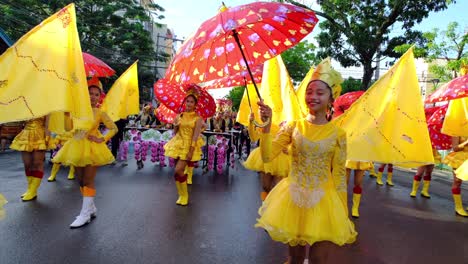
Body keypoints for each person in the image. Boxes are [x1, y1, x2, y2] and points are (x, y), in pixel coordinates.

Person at [256, 59, 357, 264]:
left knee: (319, 260)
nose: (312, 96)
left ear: (331, 98)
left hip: (325, 202)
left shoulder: (339, 134)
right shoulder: (293, 126)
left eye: (320, 92)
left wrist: (342, 212)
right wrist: (266, 127)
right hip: (294, 201)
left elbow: (339, 175)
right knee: (295, 259)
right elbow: (267, 156)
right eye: (309, 92)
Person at [52, 78, 117, 228]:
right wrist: (67, 115)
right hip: (75, 146)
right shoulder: (76, 110)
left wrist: (102, 138)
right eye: (90, 93)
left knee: (88, 180)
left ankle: (85, 214)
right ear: (85, 94)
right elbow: (68, 129)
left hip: (92, 148)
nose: (93, 97)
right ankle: (91, 208)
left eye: (96, 94)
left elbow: (113, 128)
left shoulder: (100, 112)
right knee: (80, 181)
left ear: (99, 97)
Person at [164, 86, 204, 206]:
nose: (189, 103)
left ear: (195, 104)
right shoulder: (179, 115)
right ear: (185, 102)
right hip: (178, 144)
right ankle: (181, 195)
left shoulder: (198, 118)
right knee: (177, 172)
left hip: (188, 145)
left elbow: (196, 135)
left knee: (178, 169)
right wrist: (175, 124)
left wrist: (191, 150)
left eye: (192, 101)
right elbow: (175, 132)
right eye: (187, 101)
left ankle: (185, 195)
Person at [244, 115, 290, 201]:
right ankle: (267, 204)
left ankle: (274, 209)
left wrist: (290, 148)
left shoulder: (289, 116)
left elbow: (295, 137)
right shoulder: (265, 119)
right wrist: (250, 122)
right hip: (266, 156)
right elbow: (253, 138)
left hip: (282, 157)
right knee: (266, 187)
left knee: (277, 188)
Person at [10, 115, 55, 201]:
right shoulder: (25, 105)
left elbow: (47, 124)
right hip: (26, 135)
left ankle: (32, 190)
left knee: (37, 163)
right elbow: (19, 121)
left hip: (40, 135)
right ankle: (29, 188)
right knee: (27, 163)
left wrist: (47, 137)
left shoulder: (46, 107)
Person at [443, 136, 468, 217]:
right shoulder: (456, 131)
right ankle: (459, 207)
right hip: (459, 158)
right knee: (457, 181)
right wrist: (466, 142)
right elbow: (455, 148)